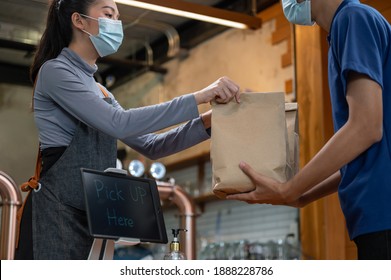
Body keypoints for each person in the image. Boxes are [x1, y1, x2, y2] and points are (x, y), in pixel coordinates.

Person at [15, 0, 241, 260]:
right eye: (109, 14)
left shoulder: (101, 91)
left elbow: (154, 146)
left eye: (118, 17)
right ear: (78, 21)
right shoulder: (55, 72)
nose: (116, 24)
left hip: (95, 219)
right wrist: (198, 96)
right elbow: (118, 122)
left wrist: (209, 120)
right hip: (55, 217)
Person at [227, 0, 391, 260]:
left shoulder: (353, 19)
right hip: (375, 217)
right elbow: (363, 156)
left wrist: (290, 188)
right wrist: (301, 195)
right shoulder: (345, 27)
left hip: (382, 215)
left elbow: (366, 128)